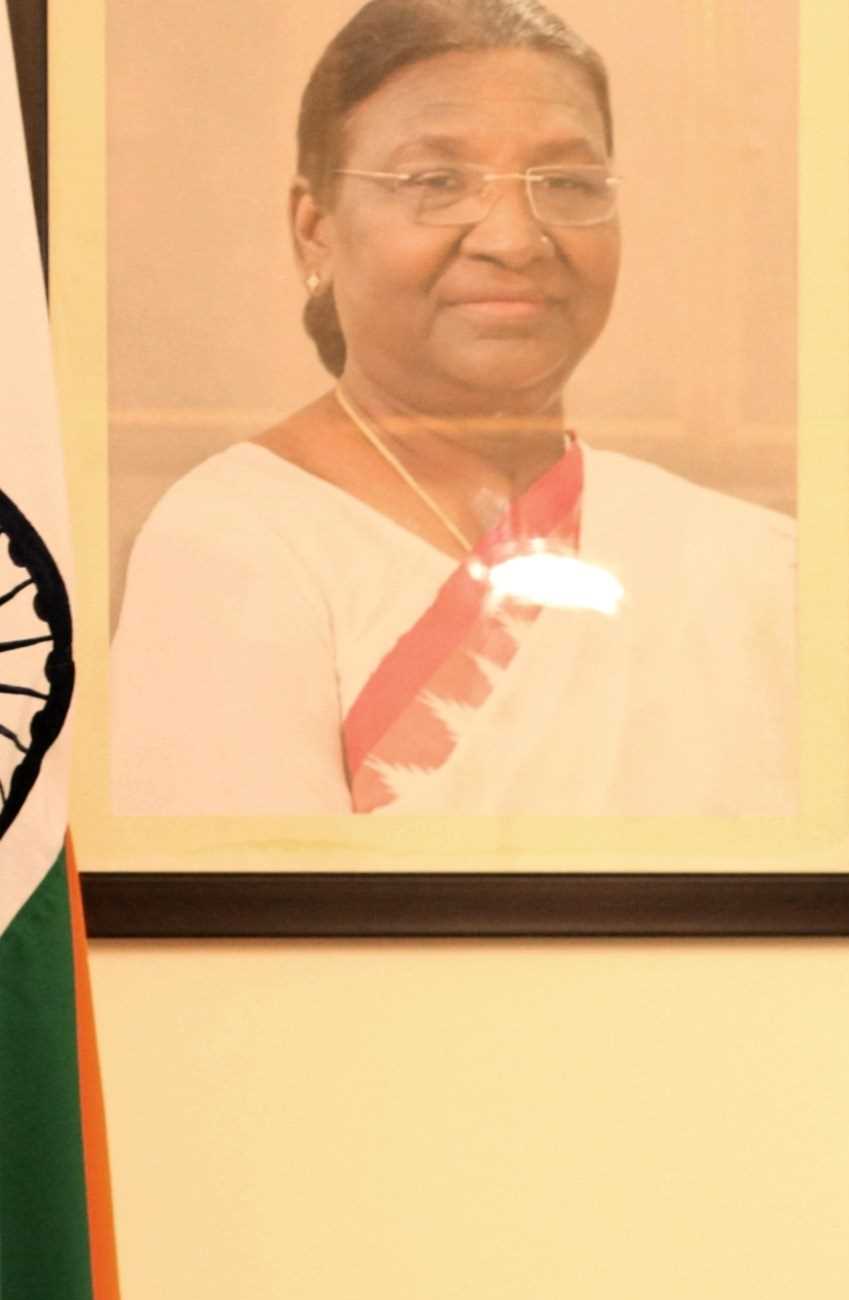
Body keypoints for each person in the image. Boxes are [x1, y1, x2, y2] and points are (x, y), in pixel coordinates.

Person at [111, 0, 794, 819]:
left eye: (567, 183)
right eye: (435, 182)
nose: (514, 239)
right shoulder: (236, 543)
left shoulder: (751, 565)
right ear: (315, 230)